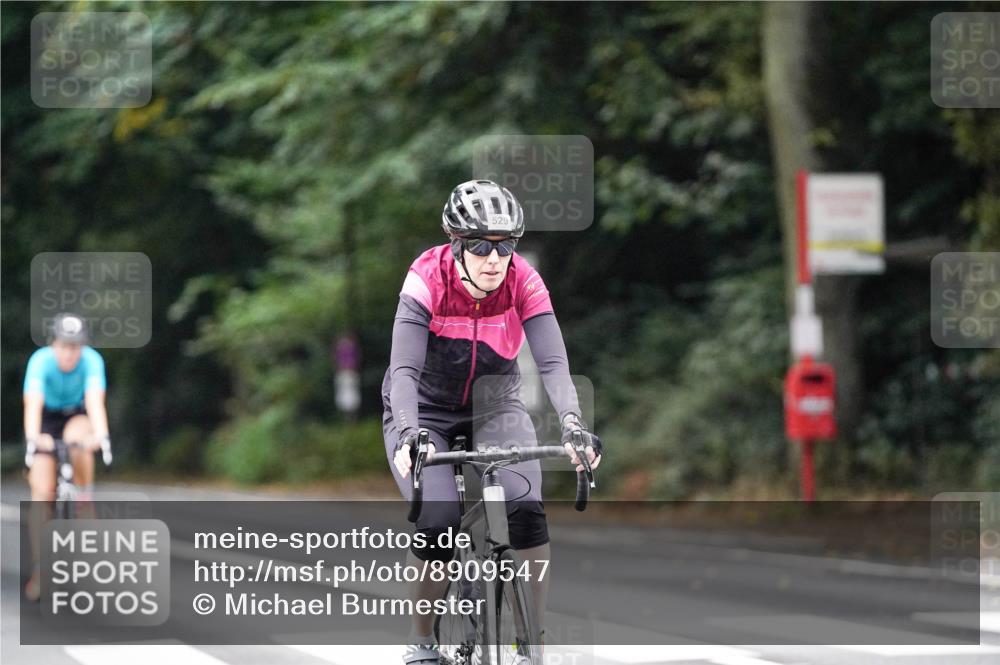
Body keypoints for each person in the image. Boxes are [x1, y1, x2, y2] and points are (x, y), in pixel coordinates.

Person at [382, 180, 603, 664]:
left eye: (505, 246)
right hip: (424, 411)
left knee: (526, 507)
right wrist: (407, 432)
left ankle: (533, 639)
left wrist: (571, 423)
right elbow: (403, 371)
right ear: (455, 244)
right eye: (480, 246)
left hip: (495, 406)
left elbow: (553, 364)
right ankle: (422, 643)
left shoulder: (523, 281)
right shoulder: (426, 279)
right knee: (437, 522)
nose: (493, 258)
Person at [22, 312, 111, 601]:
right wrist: (35, 439)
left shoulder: (92, 361)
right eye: (64, 346)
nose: (70, 353)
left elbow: (95, 402)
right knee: (41, 492)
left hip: (76, 416)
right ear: (53, 344)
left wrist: (100, 435)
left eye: (76, 347)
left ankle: (84, 495)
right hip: (46, 422)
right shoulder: (40, 362)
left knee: (78, 439)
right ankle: (40, 568)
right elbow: (32, 405)